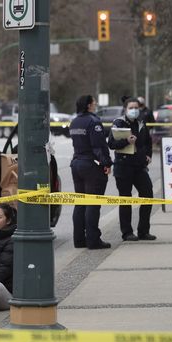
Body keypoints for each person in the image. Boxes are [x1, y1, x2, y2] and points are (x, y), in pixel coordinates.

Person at [108, 97, 156, 241]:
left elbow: (147, 142)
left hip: (140, 166)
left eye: (136, 107)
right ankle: (127, 232)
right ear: (125, 109)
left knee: (147, 195)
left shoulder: (141, 123)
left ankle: (143, 231)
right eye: (131, 108)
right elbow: (111, 143)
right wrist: (125, 141)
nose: (134, 110)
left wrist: (148, 155)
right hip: (123, 166)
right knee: (125, 199)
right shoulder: (119, 123)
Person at [70, 94, 113, 249]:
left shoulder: (74, 122)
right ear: (88, 105)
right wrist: (106, 163)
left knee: (80, 203)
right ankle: (93, 240)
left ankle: (79, 239)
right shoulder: (93, 122)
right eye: (93, 102)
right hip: (91, 166)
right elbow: (98, 146)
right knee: (93, 203)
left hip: (76, 164)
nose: (95, 104)